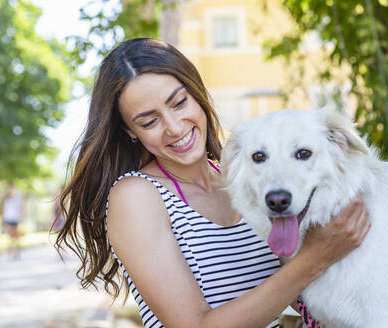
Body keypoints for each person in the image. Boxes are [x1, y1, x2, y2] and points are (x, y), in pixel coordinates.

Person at [56, 38, 370, 328]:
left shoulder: (248, 180)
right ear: (130, 132)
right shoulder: (136, 195)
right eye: (149, 121)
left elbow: (289, 293)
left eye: (179, 103)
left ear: (197, 93)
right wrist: (316, 257)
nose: (175, 127)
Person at [1, 182, 23, 259]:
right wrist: (3, 220)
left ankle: (17, 252)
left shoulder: (18, 198)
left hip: (15, 219)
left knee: (16, 237)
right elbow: (4, 210)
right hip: (8, 219)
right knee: (10, 237)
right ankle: (11, 253)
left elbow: (21, 209)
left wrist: (21, 218)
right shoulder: (6, 199)